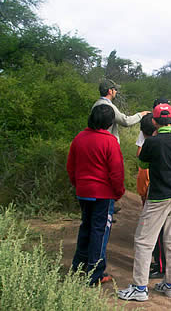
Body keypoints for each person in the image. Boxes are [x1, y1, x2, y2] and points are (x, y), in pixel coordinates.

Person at [118, 103, 171, 301]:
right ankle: (170, 285)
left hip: (157, 197)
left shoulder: (151, 143)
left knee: (143, 240)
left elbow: (142, 163)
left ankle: (140, 288)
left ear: (155, 122)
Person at [67, 104, 125, 285]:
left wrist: (77, 185)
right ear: (109, 123)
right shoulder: (109, 142)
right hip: (102, 193)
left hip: (83, 192)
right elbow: (116, 172)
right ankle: (95, 273)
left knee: (86, 227)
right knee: (100, 231)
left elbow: (71, 166)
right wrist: (118, 192)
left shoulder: (79, 138)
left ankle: (78, 268)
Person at [136, 112, 166, 279]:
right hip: (164, 194)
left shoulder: (148, 151)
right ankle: (161, 264)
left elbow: (142, 182)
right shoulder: (161, 145)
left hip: (154, 198)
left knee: (155, 235)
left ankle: (160, 266)